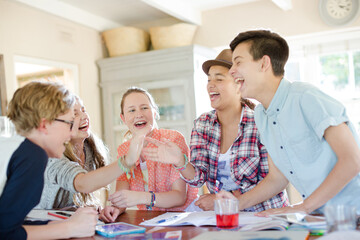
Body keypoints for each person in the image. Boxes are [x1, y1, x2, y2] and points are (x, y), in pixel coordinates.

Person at [217, 29, 360, 215]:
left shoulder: (306, 97)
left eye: (238, 62)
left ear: (264, 63)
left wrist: (303, 207)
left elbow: (352, 160)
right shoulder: (261, 115)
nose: (232, 70)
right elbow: (277, 177)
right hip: (322, 218)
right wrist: (237, 204)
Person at [142, 49, 288, 212]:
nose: (211, 85)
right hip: (224, 217)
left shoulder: (261, 122)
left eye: (219, 79)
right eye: (209, 79)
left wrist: (223, 200)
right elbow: (198, 178)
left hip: (265, 216)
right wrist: (180, 162)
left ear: (239, 84)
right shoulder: (202, 125)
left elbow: (273, 180)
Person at [0, 82, 97, 239]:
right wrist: (71, 228)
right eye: (68, 123)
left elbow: (10, 224)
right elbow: (6, 234)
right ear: (44, 124)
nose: (71, 134)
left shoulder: (15, 146)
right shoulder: (32, 155)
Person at [100, 87, 198, 223]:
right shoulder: (124, 150)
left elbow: (179, 197)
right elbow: (122, 197)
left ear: (155, 112)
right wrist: (115, 209)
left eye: (144, 108)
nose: (139, 114)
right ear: (123, 118)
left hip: (185, 218)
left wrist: (141, 197)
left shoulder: (172, 139)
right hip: (150, 220)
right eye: (132, 110)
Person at [36, 96, 112, 210]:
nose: (84, 116)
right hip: (43, 223)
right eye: (75, 114)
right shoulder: (52, 157)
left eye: (83, 110)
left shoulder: (89, 148)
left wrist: (86, 208)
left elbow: (72, 204)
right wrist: (126, 162)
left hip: (68, 222)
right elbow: (82, 183)